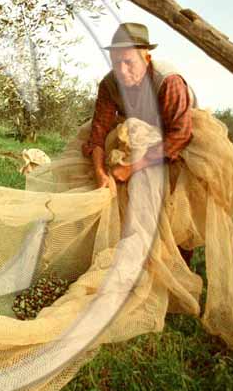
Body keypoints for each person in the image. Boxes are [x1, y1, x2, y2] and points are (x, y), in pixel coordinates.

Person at [82, 22, 197, 261]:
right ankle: (124, 259)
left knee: (174, 210)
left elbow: (179, 136)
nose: (122, 71)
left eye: (129, 62)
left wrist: (131, 167)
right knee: (121, 199)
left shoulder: (169, 80)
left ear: (147, 57)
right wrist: (99, 172)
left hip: (178, 143)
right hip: (136, 137)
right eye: (116, 63)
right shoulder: (109, 83)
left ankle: (176, 269)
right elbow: (98, 133)